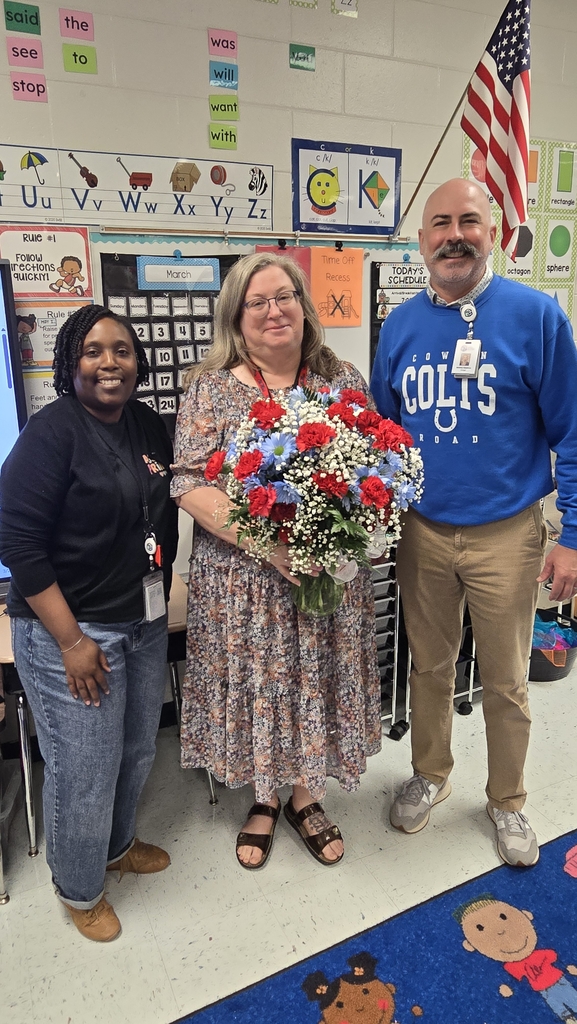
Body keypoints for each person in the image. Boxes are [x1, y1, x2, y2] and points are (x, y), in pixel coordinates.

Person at [370, 178, 577, 868]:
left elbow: (571, 434)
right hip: (423, 531)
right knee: (427, 666)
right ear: (420, 239)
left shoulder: (535, 316)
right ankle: (429, 772)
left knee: (506, 677)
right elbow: (381, 434)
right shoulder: (398, 328)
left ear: (493, 232)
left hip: (506, 533)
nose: (452, 235)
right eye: (438, 224)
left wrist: (572, 535)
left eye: (467, 221)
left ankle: (507, 801)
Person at [171, 252, 381, 870]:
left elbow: (372, 470)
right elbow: (186, 482)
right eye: (256, 302)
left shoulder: (340, 379)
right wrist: (272, 546)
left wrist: (338, 539)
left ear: (303, 303)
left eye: (283, 296)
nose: (273, 311)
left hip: (327, 579)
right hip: (246, 583)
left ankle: (305, 795)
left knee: (314, 678)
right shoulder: (211, 386)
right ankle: (263, 798)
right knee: (264, 687)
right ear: (237, 316)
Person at [0, 305, 178, 941]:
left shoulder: (149, 426)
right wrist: (71, 641)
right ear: (70, 360)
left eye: (123, 351)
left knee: (134, 748)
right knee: (85, 766)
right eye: (94, 351)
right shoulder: (50, 436)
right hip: (72, 633)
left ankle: (116, 846)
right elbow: (17, 545)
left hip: (143, 620)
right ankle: (79, 888)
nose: (111, 363)